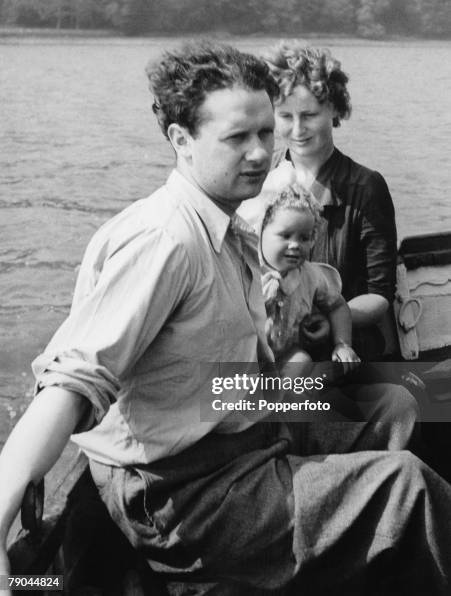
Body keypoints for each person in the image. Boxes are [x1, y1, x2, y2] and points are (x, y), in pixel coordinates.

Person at [1, 42, 451, 596]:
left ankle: (348, 556)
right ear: (181, 141)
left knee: (394, 403)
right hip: (185, 486)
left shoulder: (230, 225)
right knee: (408, 489)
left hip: (230, 406)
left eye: (267, 132)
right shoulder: (166, 242)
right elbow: (71, 381)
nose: (263, 152)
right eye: (238, 137)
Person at [239, 42, 397, 360]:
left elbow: (379, 296)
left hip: (341, 346)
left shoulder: (366, 187)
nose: (297, 130)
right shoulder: (258, 177)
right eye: (284, 116)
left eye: (309, 115)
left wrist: (330, 321)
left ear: (335, 109)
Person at [259, 184, 360, 375]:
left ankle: (283, 397)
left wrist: (342, 343)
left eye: (304, 238)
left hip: (284, 354)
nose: (295, 244)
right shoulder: (246, 271)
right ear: (261, 231)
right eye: (285, 235)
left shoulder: (310, 275)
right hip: (246, 356)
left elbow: (337, 305)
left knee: (301, 361)